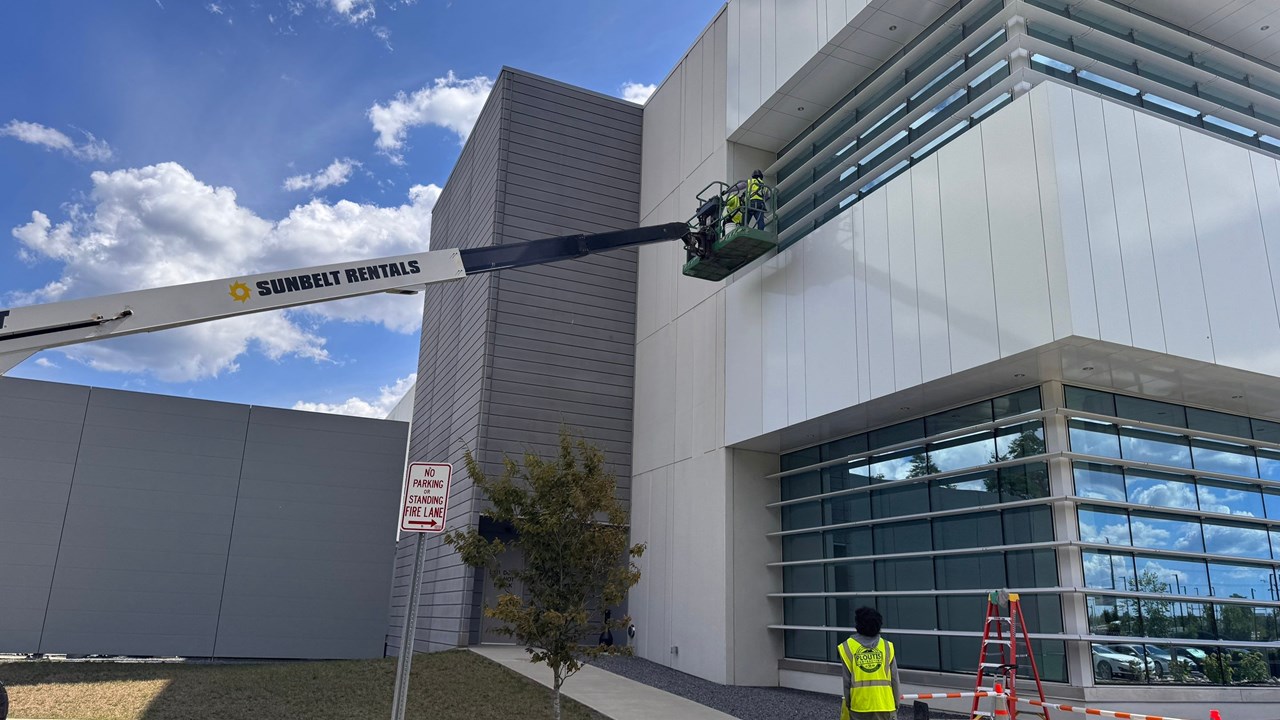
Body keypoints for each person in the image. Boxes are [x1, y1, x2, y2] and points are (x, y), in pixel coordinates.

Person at [837, 606, 900, 720]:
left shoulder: (847, 647)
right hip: (885, 705)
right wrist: (896, 703)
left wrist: (849, 704)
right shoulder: (887, 646)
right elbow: (894, 679)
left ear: (858, 625)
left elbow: (847, 682)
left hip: (859, 705)